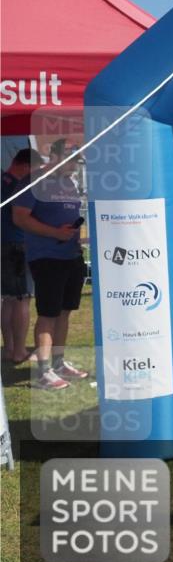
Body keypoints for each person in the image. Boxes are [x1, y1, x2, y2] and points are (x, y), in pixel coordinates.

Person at [12, 155, 89, 390]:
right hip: (46, 256)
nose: (76, 164)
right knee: (48, 313)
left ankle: (58, 362)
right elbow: (20, 217)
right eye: (73, 159)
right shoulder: (34, 181)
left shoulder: (70, 183)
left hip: (71, 255)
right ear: (57, 157)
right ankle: (43, 372)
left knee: (65, 312)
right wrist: (55, 233)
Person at [2, 149, 38, 363]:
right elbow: (22, 218)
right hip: (16, 246)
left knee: (8, 300)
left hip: (5, 245)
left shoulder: (3, 181)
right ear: (24, 166)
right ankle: (19, 351)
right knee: (22, 299)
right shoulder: (16, 186)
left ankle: (9, 348)